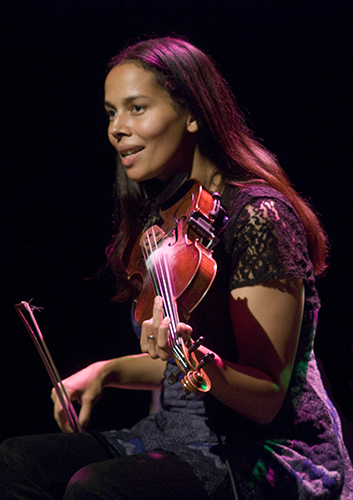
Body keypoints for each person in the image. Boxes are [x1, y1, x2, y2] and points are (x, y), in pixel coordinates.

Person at [1, 36, 352, 499]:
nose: (117, 129)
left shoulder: (257, 216)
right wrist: (107, 370)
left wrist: (202, 363)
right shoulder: (166, 216)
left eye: (136, 108)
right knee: (16, 462)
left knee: (98, 488)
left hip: (264, 448)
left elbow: (266, 399)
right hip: (176, 432)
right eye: (111, 113)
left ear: (192, 115)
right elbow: (173, 362)